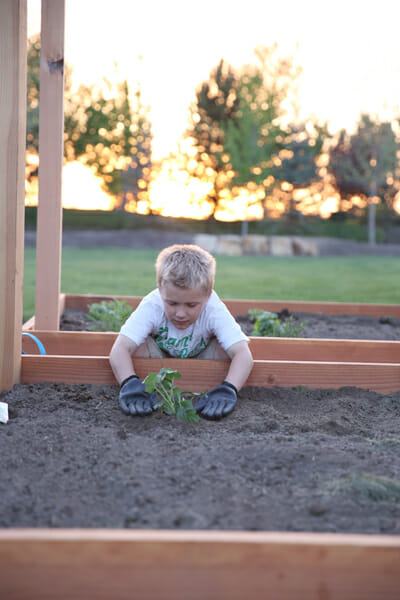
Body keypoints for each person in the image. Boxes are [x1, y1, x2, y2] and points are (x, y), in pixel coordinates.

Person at [109, 244, 253, 420]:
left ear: (207, 296)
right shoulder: (152, 305)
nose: (180, 313)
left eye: (191, 305)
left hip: (201, 356)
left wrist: (229, 388)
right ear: (160, 290)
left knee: (227, 351)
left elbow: (243, 354)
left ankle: (215, 388)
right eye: (172, 303)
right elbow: (119, 348)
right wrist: (129, 382)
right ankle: (143, 388)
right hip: (158, 360)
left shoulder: (213, 309)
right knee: (135, 347)